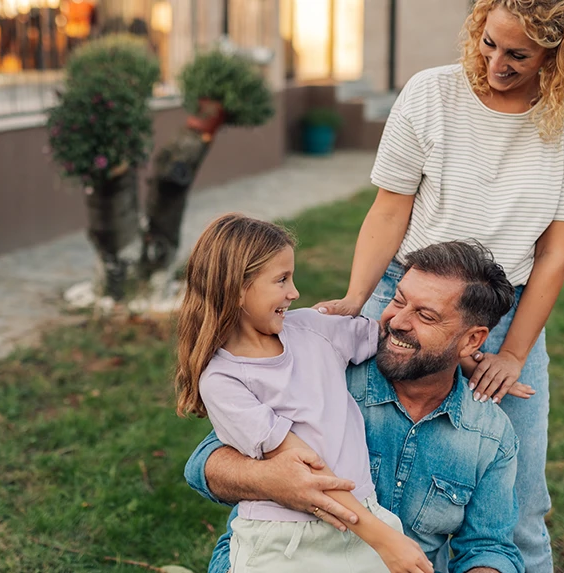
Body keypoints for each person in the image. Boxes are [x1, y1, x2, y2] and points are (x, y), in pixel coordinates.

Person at [312, 2, 564, 571]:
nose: (495, 62)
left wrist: (515, 352)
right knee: (370, 476)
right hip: (409, 298)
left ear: (558, 53)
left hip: (505, 314)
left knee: (518, 503)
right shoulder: (430, 94)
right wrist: (357, 299)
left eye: (518, 55)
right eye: (489, 43)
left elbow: (554, 253)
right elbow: (390, 207)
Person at [186, 240, 525, 573]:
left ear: (471, 340)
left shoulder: (489, 434)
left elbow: (488, 547)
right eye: (398, 300)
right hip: (280, 554)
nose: (398, 322)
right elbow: (203, 465)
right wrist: (271, 479)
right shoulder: (329, 365)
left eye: (425, 315)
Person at [175, 214, 433, 573]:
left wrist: (470, 356)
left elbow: (394, 340)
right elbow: (307, 471)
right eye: (281, 280)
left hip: (359, 518)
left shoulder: (313, 329)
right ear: (235, 288)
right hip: (284, 541)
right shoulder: (223, 380)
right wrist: (386, 540)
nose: (294, 293)